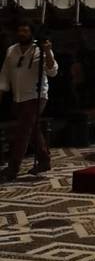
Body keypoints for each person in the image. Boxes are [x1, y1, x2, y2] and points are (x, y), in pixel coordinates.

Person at [0, 22, 58, 180]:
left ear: (31, 33)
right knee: (32, 130)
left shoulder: (40, 49)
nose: (22, 33)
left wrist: (48, 52)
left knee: (23, 132)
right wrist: (2, 91)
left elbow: (52, 71)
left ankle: (13, 168)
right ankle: (45, 160)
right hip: (18, 97)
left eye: (25, 30)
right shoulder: (11, 50)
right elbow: (5, 73)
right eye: (20, 30)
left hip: (36, 96)